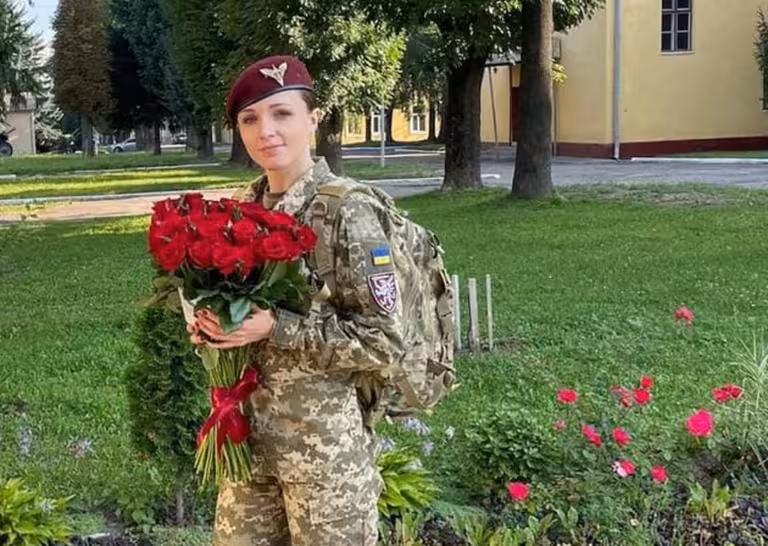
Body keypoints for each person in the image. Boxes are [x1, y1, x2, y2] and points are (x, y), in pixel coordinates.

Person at [187, 55, 406, 546]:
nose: (265, 131)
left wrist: (276, 327)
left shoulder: (347, 211)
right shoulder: (241, 209)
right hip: (247, 446)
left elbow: (385, 341)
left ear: (313, 119)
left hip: (323, 457)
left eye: (282, 113)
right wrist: (212, 327)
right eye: (250, 119)